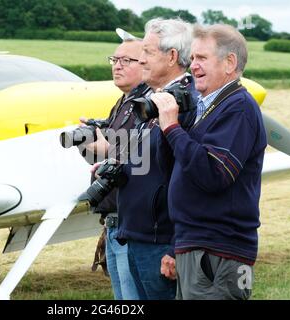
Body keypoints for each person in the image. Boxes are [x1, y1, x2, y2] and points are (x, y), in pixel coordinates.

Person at [155, 24, 267, 300]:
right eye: (192, 58)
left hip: (218, 249)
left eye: (201, 58)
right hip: (197, 244)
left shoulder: (238, 107)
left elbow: (213, 174)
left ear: (229, 63)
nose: (193, 66)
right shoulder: (205, 107)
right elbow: (177, 171)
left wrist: (172, 129)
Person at [114, 18, 195, 300]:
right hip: (138, 234)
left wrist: (176, 247)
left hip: (160, 242)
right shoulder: (154, 100)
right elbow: (153, 163)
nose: (141, 59)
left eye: (147, 52)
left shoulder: (184, 104)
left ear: (172, 56)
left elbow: (189, 180)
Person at [83, 31, 147, 300]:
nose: (117, 65)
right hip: (113, 222)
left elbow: (144, 158)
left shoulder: (147, 104)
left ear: (146, 64)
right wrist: (89, 144)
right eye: (114, 59)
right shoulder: (122, 103)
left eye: (125, 60)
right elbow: (108, 158)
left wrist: (107, 147)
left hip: (132, 225)